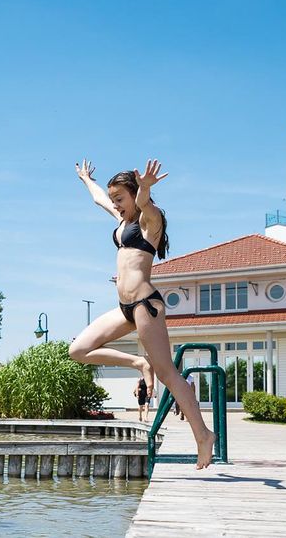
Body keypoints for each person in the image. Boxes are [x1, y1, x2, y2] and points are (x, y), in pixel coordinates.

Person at [67, 159, 216, 469]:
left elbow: (145, 204)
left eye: (120, 199)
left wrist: (145, 188)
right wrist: (85, 180)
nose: (116, 205)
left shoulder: (150, 222)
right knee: (78, 349)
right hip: (124, 308)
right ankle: (138, 362)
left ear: (133, 194)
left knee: (168, 375)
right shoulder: (122, 220)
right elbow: (98, 199)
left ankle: (203, 436)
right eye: (114, 200)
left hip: (145, 305)